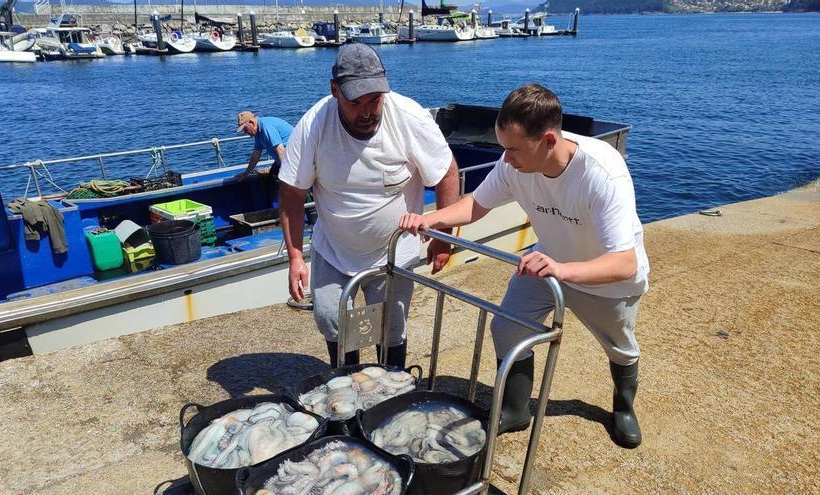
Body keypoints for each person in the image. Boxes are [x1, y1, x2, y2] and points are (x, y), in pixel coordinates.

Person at [399, 83, 649, 448]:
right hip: (546, 262)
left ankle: (623, 408)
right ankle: (516, 409)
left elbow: (624, 263)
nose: (506, 158)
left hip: (604, 277)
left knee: (620, 348)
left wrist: (562, 270)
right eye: (503, 148)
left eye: (513, 149)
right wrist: (432, 219)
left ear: (548, 140)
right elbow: (476, 205)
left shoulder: (601, 174)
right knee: (506, 328)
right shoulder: (514, 163)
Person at [278, 43, 460, 369]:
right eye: (355, 101)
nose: (367, 111)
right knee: (331, 318)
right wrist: (294, 257)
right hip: (333, 247)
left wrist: (443, 235)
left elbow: (446, 171)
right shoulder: (314, 125)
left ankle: (390, 391)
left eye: (374, 99)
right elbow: (291, 193)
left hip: (393, 250)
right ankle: (347, 388)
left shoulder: (408, 117)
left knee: (391, 328)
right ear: (334, 91)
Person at [234, 111, 294, 184]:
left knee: (286, 185)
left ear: (251, 122)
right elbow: (256, 154)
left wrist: (288, 175)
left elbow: (280, 150)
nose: (245, 132)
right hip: (284, 160)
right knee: (271, 180)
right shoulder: (258, 132)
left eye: (245, 129)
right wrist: (246, 173)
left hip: (293, 160)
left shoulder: (266, 127)